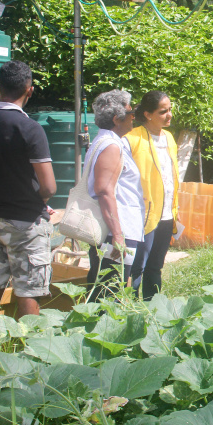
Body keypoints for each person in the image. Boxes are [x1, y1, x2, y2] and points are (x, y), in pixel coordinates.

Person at [0, 60, 57, 347]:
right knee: (27, 289)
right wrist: (39, 200)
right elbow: (49, 186)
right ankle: (31, 353)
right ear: (29, 91)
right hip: (24, 221)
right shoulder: (30, 129)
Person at [85, 90, 145, 301]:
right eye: (130, 112)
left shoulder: (110, 141)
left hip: (116, 228)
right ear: (116, 119)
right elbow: (104, 190)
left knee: (107, 288)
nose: (133, 117)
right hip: (115, 231)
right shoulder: (110, 145)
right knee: (108, 293)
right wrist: (118, 234)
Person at [125, 91, 179, 300]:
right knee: (137, 266)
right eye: (163, 111)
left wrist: (176, 210)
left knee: (155, 266)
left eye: (170, 109)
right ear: (147, 114)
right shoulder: (132, 139)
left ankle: (152, 307)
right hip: (142, 215)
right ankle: (132, 307)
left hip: (166, 215)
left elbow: (171, 178)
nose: (169, 115)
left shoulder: (170, 138)